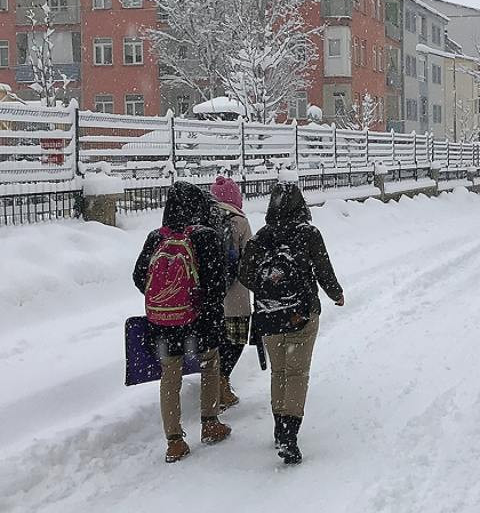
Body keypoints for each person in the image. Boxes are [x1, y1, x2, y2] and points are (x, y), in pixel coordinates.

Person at [238, 181, 344, 465]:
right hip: (301, 313)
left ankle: (278, 427)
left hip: (269, 315)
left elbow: (245, 274)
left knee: (279, 372)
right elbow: (323, 268)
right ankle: (289, 434)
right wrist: (336, 293)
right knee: (297, 374)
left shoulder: (261, 237)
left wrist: (268, 286)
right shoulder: (308, 234)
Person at [132, 181, 232, 464]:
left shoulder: (156, 237)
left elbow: (139, 276)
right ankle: (210, 423)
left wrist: (166, 298)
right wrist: (201, 306)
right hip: (200, 319)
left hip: (163, 321)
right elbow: (216, 283)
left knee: (170, 375)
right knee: (210, 364)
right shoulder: (205, 236)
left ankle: (174, 441)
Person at [210, 175, 253, 411]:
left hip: (209, 295)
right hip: (235, 295)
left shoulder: (203, 219)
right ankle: (222, 382)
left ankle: (214, 383)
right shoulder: (240, 221)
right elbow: (250, 257)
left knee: (215, 342)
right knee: (235, 340)